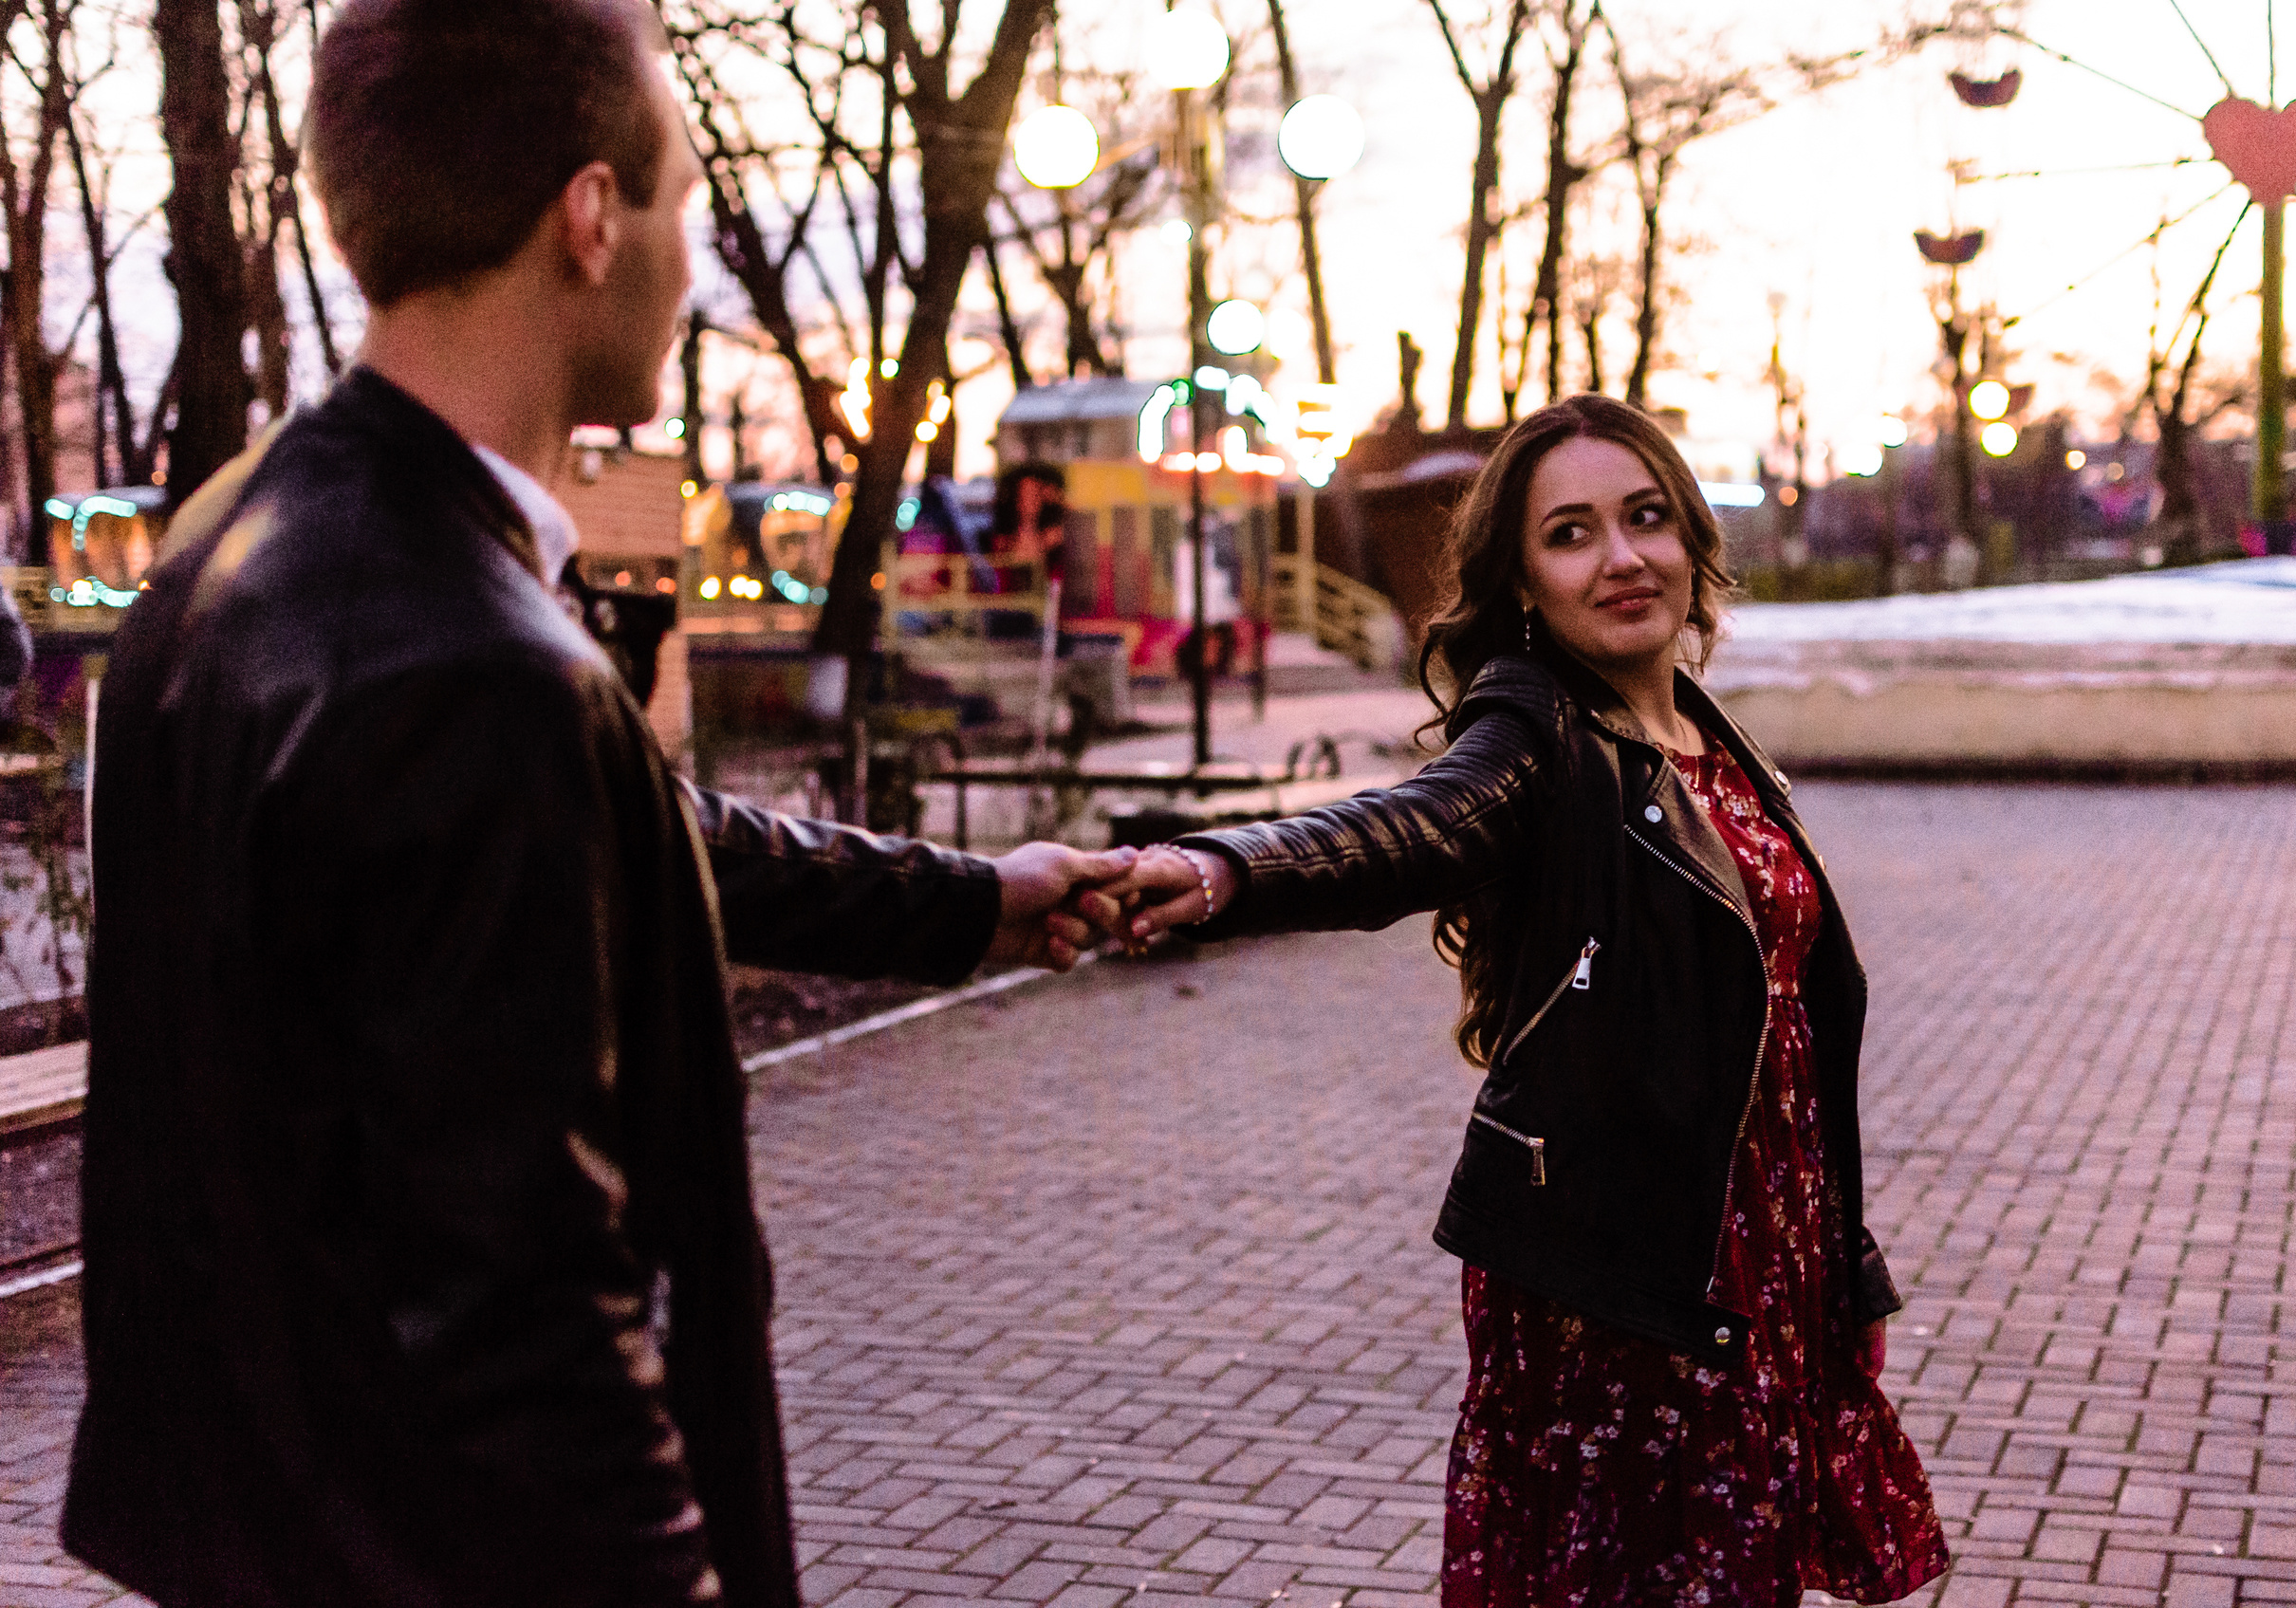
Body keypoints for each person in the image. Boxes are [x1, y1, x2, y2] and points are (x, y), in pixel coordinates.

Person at [60, 3, 1129, 1604]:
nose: (689, 266)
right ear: (588, 219)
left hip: (260, 1541)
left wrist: (975, 900)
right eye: (684, 203)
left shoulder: (239, 555)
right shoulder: (462, 664)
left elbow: (622, 836)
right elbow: (529, 1322)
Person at [1112, 394, 1950, 1606]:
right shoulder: (1537, 731)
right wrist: (1226, 869)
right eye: (1570, 534)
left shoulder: (1711, 743)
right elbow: (1413, 827)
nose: (1620, 558)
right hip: (1612, 1290)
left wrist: (1842, 1269)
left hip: (1754, 1265)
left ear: (1690, 539)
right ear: (1522, 583)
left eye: (1645, 518)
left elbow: (1792, 1049)